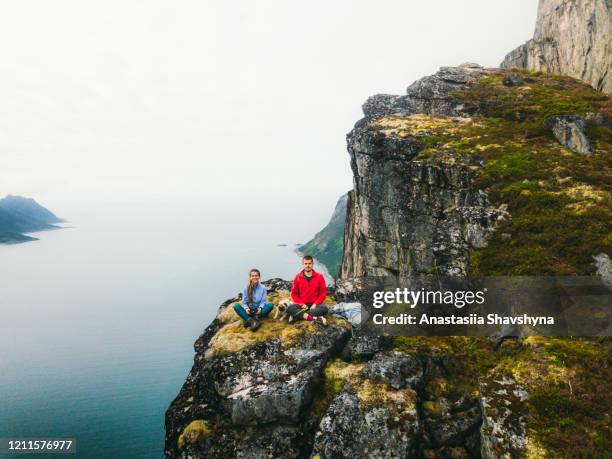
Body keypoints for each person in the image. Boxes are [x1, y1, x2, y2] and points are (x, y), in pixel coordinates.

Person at [287, 255, 328, 325]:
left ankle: (298, 315)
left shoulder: (320, 277)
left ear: (312, 264)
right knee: (289, 308)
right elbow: (294, 294)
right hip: (302, 305)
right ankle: (314, 318)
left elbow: (323, 293)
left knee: (325, 309)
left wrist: (315, 304)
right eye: (305, 263)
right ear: (303, 265)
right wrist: (301, 304)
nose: (307, 265)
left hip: (315, 306)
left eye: (309, 263)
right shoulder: (297, 277)